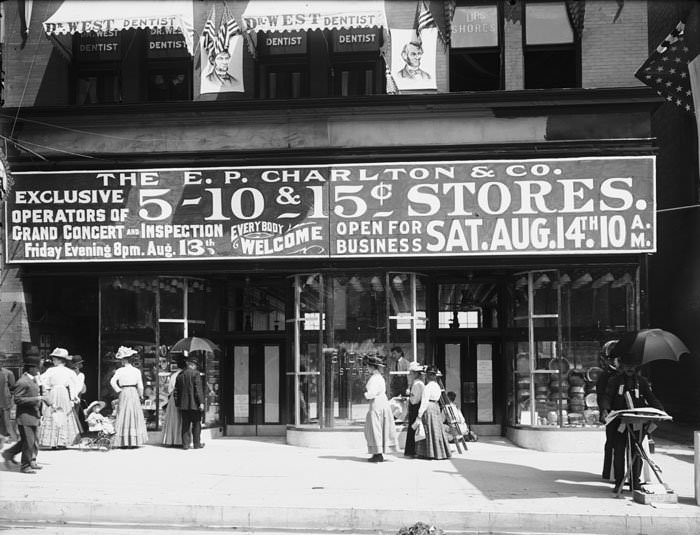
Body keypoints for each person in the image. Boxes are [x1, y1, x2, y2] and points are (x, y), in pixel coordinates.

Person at [599, 355, 664, 492]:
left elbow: (651, 398)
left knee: (637, 452)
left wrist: (661, 411)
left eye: (632, 365)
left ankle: (635, 482)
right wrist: (605, 410)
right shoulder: (614, 380)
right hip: (619, 423)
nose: (630, 368)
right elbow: (607, 396)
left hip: (637, 423)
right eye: (627, 365)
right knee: (618, 452)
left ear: (637, 367)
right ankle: (619, 482)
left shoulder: (642, 382)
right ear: (621, 366)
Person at [2, 355, 44, 473]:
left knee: (29, 441)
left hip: (33, 415)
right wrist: (37, 399)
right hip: (25, 417)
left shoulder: (32, 379)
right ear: (31, 368)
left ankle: (10, 454)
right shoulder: (23, 381)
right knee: (28, 442)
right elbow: (18, 399)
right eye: (37, 368)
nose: (39, 370)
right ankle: (25, 466)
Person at [38, 348, 81, 448]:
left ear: (59, 359)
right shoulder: (69, 372)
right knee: (62, 415)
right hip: (64, 394)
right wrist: (73, 397)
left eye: (54, 359)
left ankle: (54, 441)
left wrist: (47, 390)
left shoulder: (51, 370)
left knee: (55, 414)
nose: (53, 360)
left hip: (54, 392)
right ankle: (62, 441)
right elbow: (74, 385)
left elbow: (42, 381)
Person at [110, 346, 149, 448]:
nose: (121, 361)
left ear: (124, 360)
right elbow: (140, 386)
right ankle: (133, 440)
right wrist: (141, 395)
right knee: (133, 413)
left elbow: (112, 381)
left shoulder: (120, 371)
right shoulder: (136, 371)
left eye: (122, 359)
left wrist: (118, 390)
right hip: (133, 392)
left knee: (123, 412)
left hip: (124, 391)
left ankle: (124, 440)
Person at [362, 353, 397, 462]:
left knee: (375, 427)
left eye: (368, 366)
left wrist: (366, 395)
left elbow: (372, 393)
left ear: (372, 367)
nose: (367, 368)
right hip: (383, 402)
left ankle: (377, 453)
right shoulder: (380, 378)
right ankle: (379, 451)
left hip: (376, 403)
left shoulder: (374, 378)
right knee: (381, 427)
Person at [415, 366, 451, 460]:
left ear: (428, 375)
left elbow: (424, 402)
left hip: (429, 407)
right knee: (437, 430)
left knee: (428, 429)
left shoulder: (427, 387)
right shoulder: (437, 386)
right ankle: (440, 452)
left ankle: (430, 453)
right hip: (436, 407)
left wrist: (419, 415)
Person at [596, 340, 619, 481]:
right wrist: (604, 410)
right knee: (611, 441)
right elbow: (601, 395)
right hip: (611, 412)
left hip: (625, 411)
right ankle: (609, 472)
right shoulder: (606, 376)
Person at [174, 356, 205, 450]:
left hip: (183, 405)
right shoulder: (195, 374)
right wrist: (201, 402)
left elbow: (176, 391)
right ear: (192, 365)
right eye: (196, 365)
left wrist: (178, 403)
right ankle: (196, 444)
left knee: (185, 424)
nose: (196, 367)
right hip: (194, 404)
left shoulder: (180, 375)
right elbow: (198, 390)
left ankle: (185, 445)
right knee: (196, 424)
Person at [403, 361, 425, 457]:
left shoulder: (417, 384)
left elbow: (414, 399)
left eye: (411, 373)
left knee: (413, 428)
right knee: (413, 428)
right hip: (416, 406)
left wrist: (408, 398)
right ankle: (413, 450)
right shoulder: (418, 383)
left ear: (415, 373)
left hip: (415, 407)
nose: (410, 375)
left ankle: (412, 450)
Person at [161, 359, 185, 447]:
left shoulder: (173, 375)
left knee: (172, 419)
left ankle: (171, 440)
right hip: (182, 398)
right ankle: (180, 440)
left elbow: (169, 390)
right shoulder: (184, 374)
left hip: (173, 399)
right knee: (181, 420)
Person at [0, 361, 16, 447]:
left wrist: (12, 399)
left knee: (6, 420)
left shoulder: (8, 373)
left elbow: (13, 387)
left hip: (5, 400)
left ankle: (10, 436)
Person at [70, 354, 87, 429]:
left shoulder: (69, 372)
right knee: (74, 414)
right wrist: (74, 396)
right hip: (75, 397)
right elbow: (79, 388)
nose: (81, 365)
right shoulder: (80, 375)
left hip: (71, 396)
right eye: (80, 363)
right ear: (77, 364)